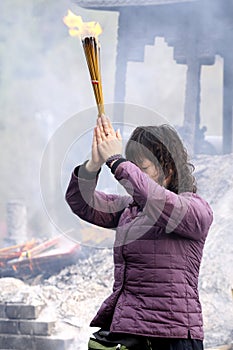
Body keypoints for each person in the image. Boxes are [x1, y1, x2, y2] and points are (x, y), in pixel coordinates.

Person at [65, 115, 213, 350]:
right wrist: (93, 165)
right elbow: (81, 202)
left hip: (172, 338)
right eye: (132, 168)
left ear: (169, 170)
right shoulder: (129, 209)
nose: (133, 175)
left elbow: (156, 199)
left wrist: (116, 161)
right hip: (129, 334)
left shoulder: (194, 209)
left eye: (141, 169)